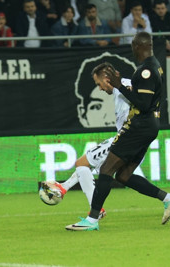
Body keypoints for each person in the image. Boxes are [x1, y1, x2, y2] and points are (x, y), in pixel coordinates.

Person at [66, 32, 170, 231]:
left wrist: (120, 86)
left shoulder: (146, 70)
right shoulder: (154, 67)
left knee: (106, 170)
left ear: (138, 46)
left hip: (139, 126)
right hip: (148, 127)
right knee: (124, 176)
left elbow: (144, 104)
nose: (132, 50)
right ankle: (169, 199)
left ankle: (92, 220)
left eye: (133, 46)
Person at [41, 62, 132, 216]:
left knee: (82, 164)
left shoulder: (127, 86)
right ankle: (167, 199)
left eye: (99, 84)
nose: (100, 88)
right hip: (127, 139)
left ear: (106, 78)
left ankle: (94, 210)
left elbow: (144, 102)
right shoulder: (121, 89)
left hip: (126, 139)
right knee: (89, 167)